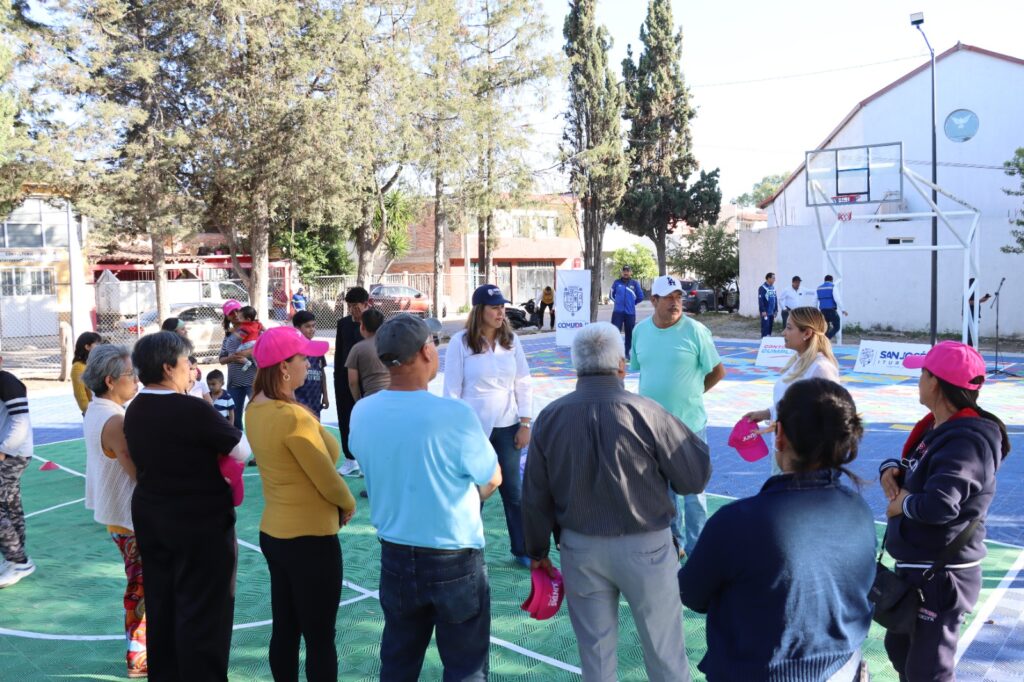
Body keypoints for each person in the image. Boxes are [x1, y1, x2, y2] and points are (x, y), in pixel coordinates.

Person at [523, 322, 711, 681]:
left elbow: (535, 495)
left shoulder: (551, 417)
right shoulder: (647, 411)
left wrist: (537, 551)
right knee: (666, 655)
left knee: (596, 660)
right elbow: (694, 478)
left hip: (580, 548)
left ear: (576, 366)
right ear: (622, 365)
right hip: (648, 549)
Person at [679, 378, 876, 681]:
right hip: (843, 668)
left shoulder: (738, 521)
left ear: (780, 435)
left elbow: (691, 594)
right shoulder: (859, 510)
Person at [350, 314, 501, 681]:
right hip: (454, 557)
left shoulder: (363, 411)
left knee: (399, 662)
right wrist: (465, 500)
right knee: (465, 666)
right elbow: (492, 479)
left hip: (397, 555)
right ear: (426, 352)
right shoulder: (453, 414)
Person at [880, 341, 1011, 681]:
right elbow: (916, 466)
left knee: (928, 670)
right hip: (919, 570)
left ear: (935, 382)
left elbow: (940, 504)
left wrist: (901, 504)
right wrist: (890, 470)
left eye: (922, 373)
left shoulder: (966, 440)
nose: (918, 380)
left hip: (940, 576)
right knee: (901, 651)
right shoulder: (936, 425)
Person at [124, 331, 244, 680]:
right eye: (186, 363)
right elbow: (241, 449)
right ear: (167, 367)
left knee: (163, 603)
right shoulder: (190, 407)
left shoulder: (135, 408)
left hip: (152, 515)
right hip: (200, 521)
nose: (191, 369)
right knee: (206, 609)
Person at [246, 326, 357, 682]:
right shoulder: (290, 416)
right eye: (302, 357)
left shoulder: (257, 408)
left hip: (276, 533)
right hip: (310, 539)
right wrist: (346, 502)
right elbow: (326, 476)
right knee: (320, 637)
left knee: (286, 628)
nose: (308, 363)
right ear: (282, 367)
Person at [630, 275, 726, 558]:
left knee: (694, 495)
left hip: (690, 427)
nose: (676, 302)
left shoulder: (696, 331)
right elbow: (641, 368)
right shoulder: (640, 332)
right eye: (669, 297)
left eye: (679, 297)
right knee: (664, 493)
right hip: (651, 428)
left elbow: (718, 372)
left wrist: (693, 394)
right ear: (654, 300)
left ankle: (699, 553)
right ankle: (675, 546)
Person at [444, 283, 533, 567]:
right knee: (474, 493)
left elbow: (523, 382)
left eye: (502, 307)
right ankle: (468, 549)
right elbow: (452, 390)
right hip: (473, 430)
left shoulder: (512, 341)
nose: (501, 312)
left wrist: (525, 422)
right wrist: (455, 431)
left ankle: (522, 549)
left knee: (514, 493)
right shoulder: (461, 342)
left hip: (508, 426)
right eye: (495, 307)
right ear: (480, 310)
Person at [81, 344, 147, 678]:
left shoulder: (96, 409)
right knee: (141, 588)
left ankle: (141, 650)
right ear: (110, 380)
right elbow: (136, 470)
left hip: (117, 518)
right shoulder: (115, 419)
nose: (135, 380)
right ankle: (138, 656)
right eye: (129, 375)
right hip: (129, 517)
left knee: (139, 584)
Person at [742, 307, 840, 475]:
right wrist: (766, 413)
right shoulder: (797, 361)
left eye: (789, 328)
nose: (783, 333)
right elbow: (792, 403)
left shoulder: (821, 368)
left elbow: (832, 419)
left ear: (807, 333)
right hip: (784, 454)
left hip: (803, 461)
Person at [0, 358, 35, 589]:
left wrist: (3, 450)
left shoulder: (5, 380)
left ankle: (18, 561)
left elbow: (21, 420)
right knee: (10, 506)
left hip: (13, 454)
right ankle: (16, 560)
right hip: (12, 452)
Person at [335, 287, 369, 477]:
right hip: (344, 379)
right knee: (345, 418)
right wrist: (337, 380)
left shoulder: (375, 323)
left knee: (366, 421)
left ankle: (367, 462)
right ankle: (350, 460)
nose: (352, 311)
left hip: (367, 381)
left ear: (366, 304)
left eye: (356, 306)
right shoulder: (343, 324)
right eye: (350, 307)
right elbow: (340, 354)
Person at [218, 299, 256, 430]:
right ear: (227, 317)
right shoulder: (228, 335)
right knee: (234, 418)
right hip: (234, 383)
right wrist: (232, 358)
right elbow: (221, 359)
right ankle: (238, 446)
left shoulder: (254, 328)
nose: (234, 314)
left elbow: (266, 347)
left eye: (237, 310)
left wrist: (247, 353)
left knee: (258, 414)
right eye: (231, 313)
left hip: (254, 380)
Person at [291, 310, 330, 419]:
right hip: (298, 401)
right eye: (307, 326)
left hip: (315, 401)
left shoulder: (317, 349)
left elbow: (322, 372)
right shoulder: (293, 350)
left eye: (313, 326)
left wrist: (325, 396)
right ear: (297, 328)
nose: (312, 329)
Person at [345, 308, 390, 402]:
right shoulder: (391, 344)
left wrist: (358, 401)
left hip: (371, 397)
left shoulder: (357, 349)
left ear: (362, 327)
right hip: (393, 395)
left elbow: (352, 382)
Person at [609, 265, 644, 360]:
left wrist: (632, 303)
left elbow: (641, 297)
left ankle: (626, 352)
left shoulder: (635, 283)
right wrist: (618, 303)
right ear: (622, 272)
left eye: (628, 271)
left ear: (630, 272)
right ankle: (615, 353)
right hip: (618, 312)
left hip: (630, 313)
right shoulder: (616, 283)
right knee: (615, 332)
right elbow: (611, 295)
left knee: (629, 333)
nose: (626, 272)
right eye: (624, 271)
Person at [72, 331, 104, 415]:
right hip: (93, 411)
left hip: (104, 407)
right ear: (87, 346)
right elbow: (80, 394)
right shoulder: (78, 367)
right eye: (97, 344)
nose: (100, 347)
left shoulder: (97, 362)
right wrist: (88, 411)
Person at [816, 275, 848, 340]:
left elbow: (814, 301)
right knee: (837, 326)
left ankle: (822, 341)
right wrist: (843, 310)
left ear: (824, 280)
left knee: (825, 328)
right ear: (832, 280)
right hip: (831, 310)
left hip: (822, 311)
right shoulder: (833, 287)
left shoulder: (819, 288)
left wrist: (814, 311)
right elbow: (837, 299)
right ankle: (826, 339)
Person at [235, 306, 265, 372]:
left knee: (237, 353)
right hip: (256, 343)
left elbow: (240, 338)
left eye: (240, 318)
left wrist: (233, 332)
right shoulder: (257, 323)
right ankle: (258, 366)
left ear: (248, 319)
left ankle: (247, 362)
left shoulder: (245, 327)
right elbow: (264, 329)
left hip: (247, 343)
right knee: (254, 356)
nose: (238, 319)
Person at [966, 277, 991, 348]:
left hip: (974, 315)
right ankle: (970, 348)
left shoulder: (973, 293)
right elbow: (969, 302)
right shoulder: (969, 292)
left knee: (973, 333)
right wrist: (980, 300)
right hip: (970, 315)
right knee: (970, 334)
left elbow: (974, 301)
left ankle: (972, 347)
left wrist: (982, 299)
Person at [758, 272, 778, 337]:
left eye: (774, 278)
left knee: (770, 327)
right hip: (765, 312)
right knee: (765, 327)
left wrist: (776, 310)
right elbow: (761, 300)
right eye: (773, 278)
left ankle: (768, 340)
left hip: (772, 312)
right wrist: (763, 310)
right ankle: (763, 340)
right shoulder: (762, 288)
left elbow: (775, 299)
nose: (774, 279)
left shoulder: (773, 288)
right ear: (768, 278)